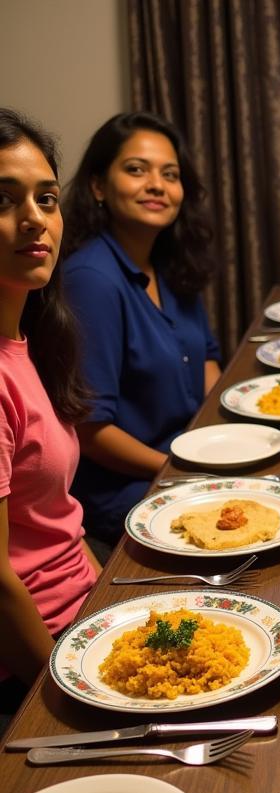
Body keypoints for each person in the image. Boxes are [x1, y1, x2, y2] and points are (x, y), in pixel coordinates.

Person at [62, 112, 220, 553]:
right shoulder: (91, 280)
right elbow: (91, 430)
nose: (157, 185)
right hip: (131, 488)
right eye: (136, 170)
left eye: (170, 175)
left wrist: (222, 444)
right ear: (98, 186)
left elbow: (207, 359)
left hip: (186, 459)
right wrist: (181, 469)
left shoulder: (171, 264)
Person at [0, 108, 98, 703]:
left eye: (47, 198)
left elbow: (59, 519)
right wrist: (64, 702)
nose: (34, 219)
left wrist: (113, 599)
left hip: (84, 614)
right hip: (37, 665)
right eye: (3, 199)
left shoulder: (31, 338)